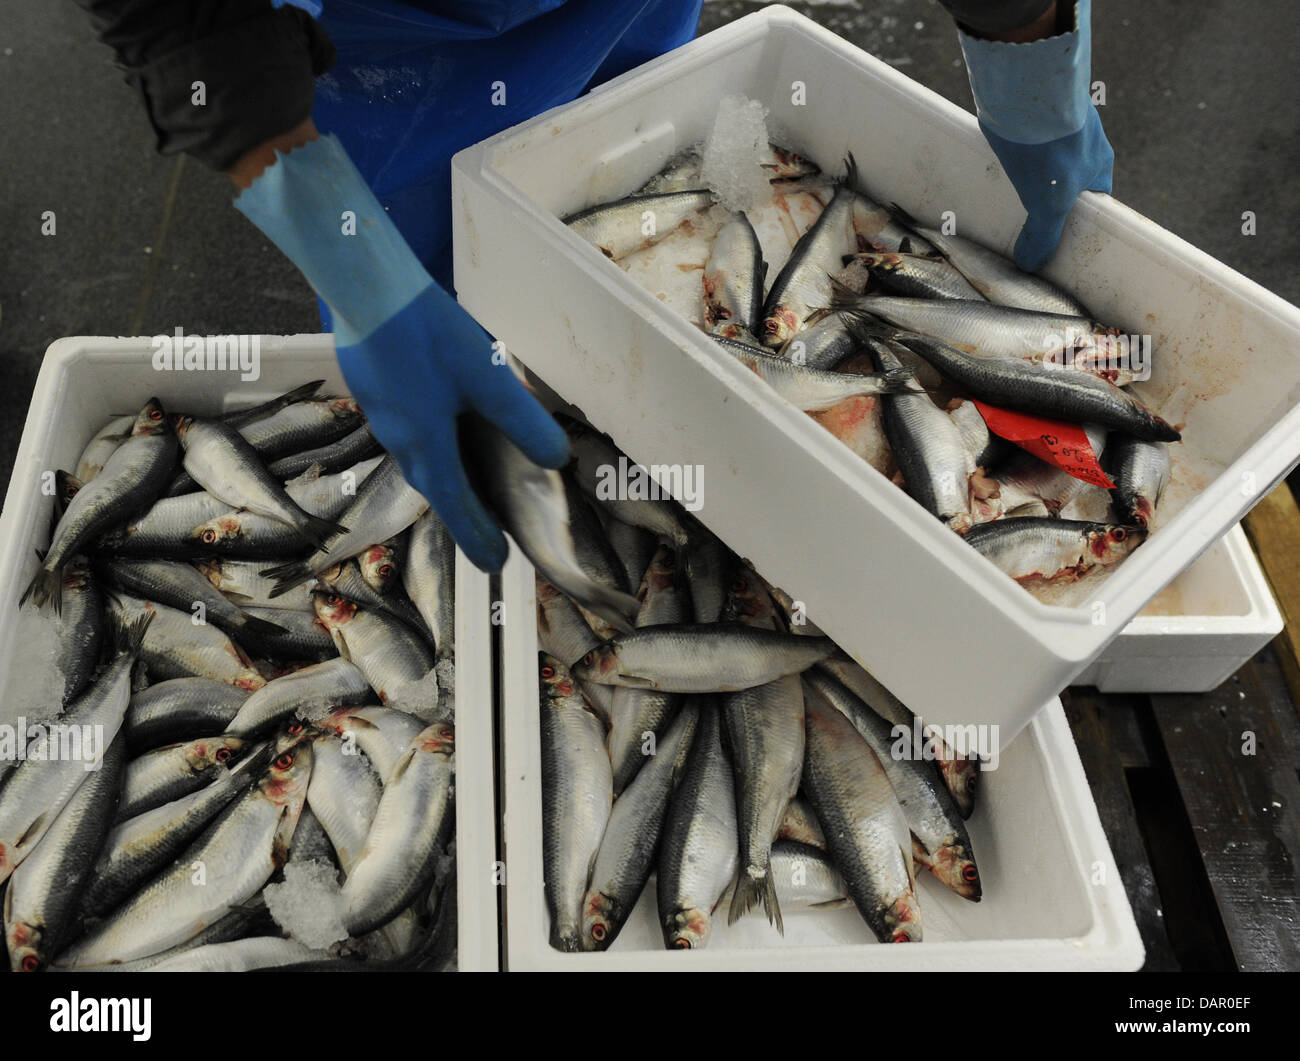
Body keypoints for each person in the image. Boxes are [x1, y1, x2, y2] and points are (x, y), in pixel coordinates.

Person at [73, 0, 1112, 571]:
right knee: (445, 291)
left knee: (626, 181)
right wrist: (354, 264)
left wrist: (1025, 43)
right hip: (386, 34)